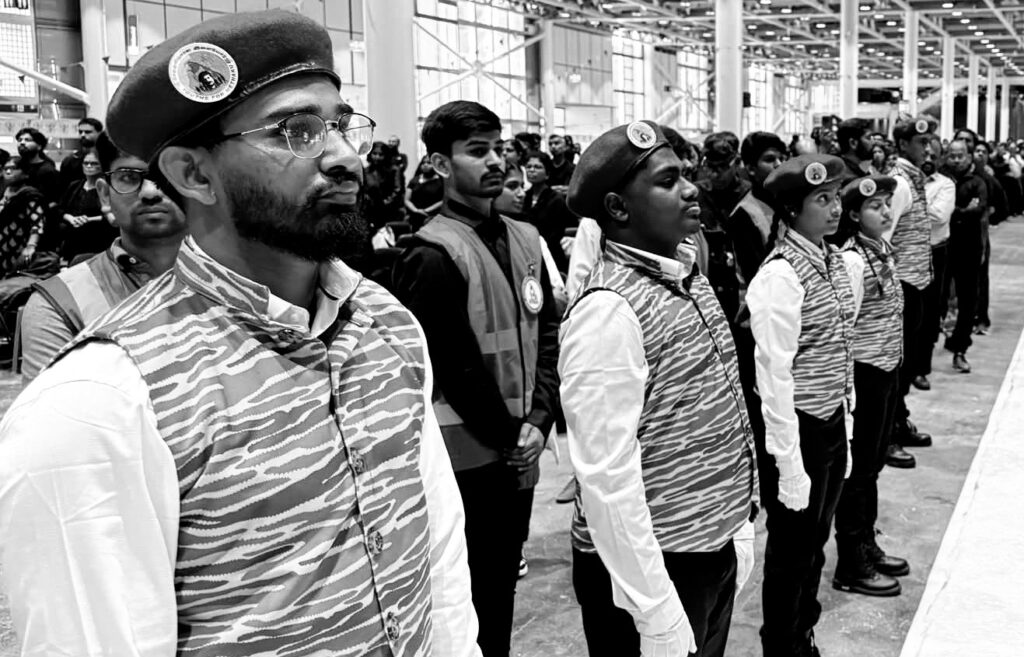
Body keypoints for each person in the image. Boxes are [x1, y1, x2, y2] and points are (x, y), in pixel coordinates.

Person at [0, 11, 480, 656]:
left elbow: (436, 551)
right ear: (195, 175)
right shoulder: (102, 401)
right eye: (295, 131)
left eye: (341, 125)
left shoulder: (383, 322)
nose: (344, 158)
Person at [560, 120, 757, 657]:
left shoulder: (686, 277)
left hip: (706, 541)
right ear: (618, 208)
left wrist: (736, 523)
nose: (691, 189)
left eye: (686, 175)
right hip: (653, 565)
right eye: (668, 182)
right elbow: (606, 476)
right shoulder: (608, 310)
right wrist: (652, 605)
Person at [393, 100, 560, 657]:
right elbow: (452, 364)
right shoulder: (431, 253)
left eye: (498, 148)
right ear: (441, 164)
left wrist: (541, 418)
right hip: (469, 456)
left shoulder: (526, 238)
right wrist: (513, 435)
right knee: (469, 595)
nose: (494, 161)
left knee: (502, 584)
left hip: (520, 447)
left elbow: (547, 333)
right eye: (477, 151)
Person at [747, 154, 861, 657]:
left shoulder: (833, 261)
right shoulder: (780, 276)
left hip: (829, 421)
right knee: (792, 549)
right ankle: (782, 644)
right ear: (792, 210)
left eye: (836, 197)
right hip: (798, 430)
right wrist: (789, 463)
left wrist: (846, 421)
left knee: (814, 543)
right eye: (822, 199)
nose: (835, 208)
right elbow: (773, 377)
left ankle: (802, 634)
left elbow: (840, 347)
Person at [21, 131, 187, 381]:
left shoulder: (244, 278)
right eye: (129, 177)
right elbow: (58, 404)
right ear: (104, 195)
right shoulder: (59, 303)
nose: (151, 191)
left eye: (167, 175)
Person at [831, 175, 909, 598]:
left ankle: (867, 543)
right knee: (858, 469)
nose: (885, 212)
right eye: (875, 207)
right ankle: (851, 562)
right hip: (864, 371)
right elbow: (846, 326)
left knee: (873, 464)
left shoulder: (880, 249)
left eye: (886, 204)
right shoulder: (852, 260)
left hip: (886, 368)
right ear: (854, 214)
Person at [493, 163, 566, 578]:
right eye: (511, 185)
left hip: (530, 397)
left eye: (521, 184)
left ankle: (517, 543)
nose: (519, 191)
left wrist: (541, 414)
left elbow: (550, 311)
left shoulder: (529, 239)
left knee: (525, 478)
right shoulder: (445, 247)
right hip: (489, 411)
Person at [886, 115, 938, 467]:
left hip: (917, 280)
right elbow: (882, 237)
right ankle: (888, 434)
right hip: (902, 284)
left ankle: (899, 420)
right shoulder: (900, 184)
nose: (928, 148)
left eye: (929, 141)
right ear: (903, 144)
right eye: (921, 142)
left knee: (908, 364)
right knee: (897, 366)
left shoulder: (915, 179)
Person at [941, 138, 988, 374]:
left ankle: (960, 349)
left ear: (968, 157)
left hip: (969, 248)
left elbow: (979, 209)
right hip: (943, 247)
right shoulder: (940, 179)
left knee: (968, 301)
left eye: (960, 155)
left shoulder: (978, 182)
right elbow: (937, 213)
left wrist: (952, 213)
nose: (956, 160)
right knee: (938, 299)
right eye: (952, 155)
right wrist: (961, 211)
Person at [914, 136, 955, 391]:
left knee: (930, 312)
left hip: (934, 253)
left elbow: (939, 216)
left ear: (941, 158)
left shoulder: (945, 185)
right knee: (909, 312)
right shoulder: (904, 181)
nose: (928, 160)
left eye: (934, 156)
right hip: (908, 252)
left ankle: (921, 368)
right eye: (925, 154)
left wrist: (914, 205)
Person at [57, 147, 117, 262]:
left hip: (98, 241)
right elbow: (60, 209)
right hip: (73, 241)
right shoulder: (75, 185)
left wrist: (88, 219)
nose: (89, 166)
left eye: (94, 163)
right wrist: (70, 218)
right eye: (86, 163)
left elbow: (114, 217)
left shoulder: (108, 188)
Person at [523, 150, 576, 274]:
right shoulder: (524, 197)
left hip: (551, 256)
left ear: (547, 174)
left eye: (537, 167)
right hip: (526, 253)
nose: (531, 170)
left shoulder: (556, 199)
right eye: (529, 167)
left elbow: (555, 234)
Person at [0, 156, 47, 276]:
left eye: (13, 168)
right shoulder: (2, 192)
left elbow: (37, 223)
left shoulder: (29, 195)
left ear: (25, 173)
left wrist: (31, 246)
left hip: (18, 246)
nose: (8, 172)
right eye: (6, 168)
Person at [363, 140, 405, 231]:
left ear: (386, 156)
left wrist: (385, 203)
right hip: (370, 211)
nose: (377, 157)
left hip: (390, 211)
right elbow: (364, 190)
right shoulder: (365, 171)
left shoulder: (394, 170)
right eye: (374, 154)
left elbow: (397, 190)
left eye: (381, 154)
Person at [14, 127, 60, 206]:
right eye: (19, 140)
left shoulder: (48, 171)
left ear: (39, 146)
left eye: (27, 140)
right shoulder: (17, 166)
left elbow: (53, 201)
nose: (22, 143)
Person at [58, 117, 104, 193]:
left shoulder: (107, 158)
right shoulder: (71, 160)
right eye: (80, 132)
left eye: (88, 132)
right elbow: (63, 188)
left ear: (99, 133)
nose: (83, 135)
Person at [405, 154, 444, 229]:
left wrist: (426, 210)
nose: (425, 165)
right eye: (423, 163)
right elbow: (407, 200)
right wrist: (416, 210)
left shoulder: (440, 181)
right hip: (414, 215)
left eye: (429, 163)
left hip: (432, 216)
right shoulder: (414, 180)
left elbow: (443, 200)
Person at [836, 118, 874, 184]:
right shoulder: (848, 178)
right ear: (853, 143)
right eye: (868, 138)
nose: (873, 142)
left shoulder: (856, 168)